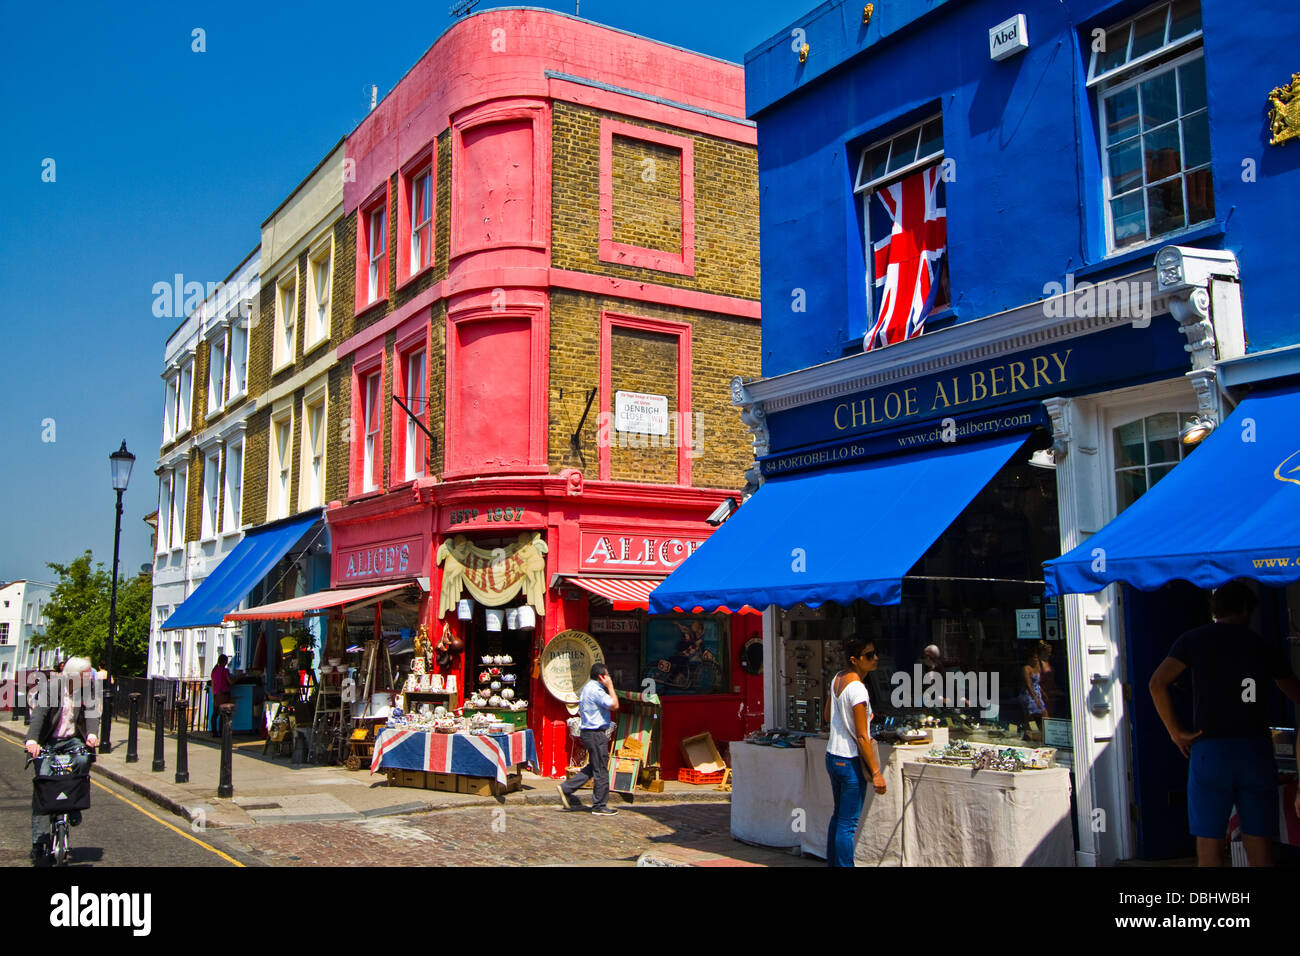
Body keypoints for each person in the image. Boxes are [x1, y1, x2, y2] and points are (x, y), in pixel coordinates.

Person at [1149, 580, 1300, 867]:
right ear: (1245, 610)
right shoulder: (1262, 645)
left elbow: (1157, 683)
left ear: (1215, 608)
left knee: (1209, 844)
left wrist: (1175, 732)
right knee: (1259, 842)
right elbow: (1295, 692)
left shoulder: (1192, 640)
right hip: (1254, 750)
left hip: (1210, 749)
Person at [24, 657, 100, 861]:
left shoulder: (86, 689)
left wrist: (92, 734)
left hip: (72, 740)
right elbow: (39, 715)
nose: (89, 678)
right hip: (48, 741)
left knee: (84, 760)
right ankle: (38, 842)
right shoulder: (53, 688)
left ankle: (74, 805)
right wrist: (32, 740)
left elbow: (92, 714)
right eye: (86, 675)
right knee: (44, 785)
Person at [822, 636, 886, 867]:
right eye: (869, 655)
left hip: (833, 756)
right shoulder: (858, 689)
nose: (875, 658)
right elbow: (862, 737)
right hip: (849, 761)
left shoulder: (838, 679)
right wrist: (876, 772)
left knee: (839, 818)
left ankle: (834, 864)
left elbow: (828, 716)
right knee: (847, 825)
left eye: (875, 653)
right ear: (855, 660)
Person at [557, 664, 620, 815]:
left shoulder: (587, 688)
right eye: (607, 675)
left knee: (594, 766)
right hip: (595, 733)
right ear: (601, 677)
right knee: (601, 770)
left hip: (588, 732)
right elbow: (615, 705)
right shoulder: (597, 690)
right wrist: (610, 687)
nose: (609, 677)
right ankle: (599, 805)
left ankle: (567, 788)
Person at [1018, 643, 1048, 738]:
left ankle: (1043, 734)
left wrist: (1043, 693)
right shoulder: (1026, 669)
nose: (1035, 659)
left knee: (1044, 714)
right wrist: (1035, 699)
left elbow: (1037, 683)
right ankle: (1033, 734)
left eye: (1036, 657)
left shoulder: (1038, 667)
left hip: (1037, 692)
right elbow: (1028, 685)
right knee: (1031, 716)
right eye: (1033, 658)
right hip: (1028, 694)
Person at [211, 653, 233, 737]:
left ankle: (214, 732)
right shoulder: (225, 671)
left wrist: (214, 694)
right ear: (224, 662)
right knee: (223, 714)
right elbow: (230, 682)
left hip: (216, 694)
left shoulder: (214, 671)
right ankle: (221, 732)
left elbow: (213, 684)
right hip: (224, 694)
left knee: (215, 714)